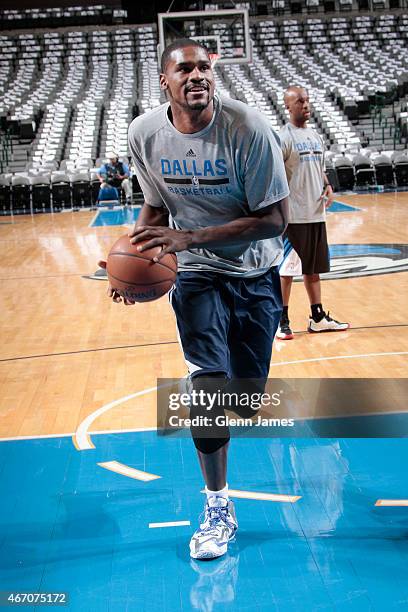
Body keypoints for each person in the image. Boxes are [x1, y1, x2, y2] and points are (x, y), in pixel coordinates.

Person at [101, 39, 289, 560]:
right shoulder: (145, 133)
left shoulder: (247, 128)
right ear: (165, 80)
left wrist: (191, 239)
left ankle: (231, 404)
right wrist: (130, 262)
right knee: (207, 387)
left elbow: (275, 221)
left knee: (245, 400)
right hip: (196, 276)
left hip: (255, 270)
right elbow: (157, 208)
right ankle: (217, 506)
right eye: (185, 68)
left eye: (205, 67)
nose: (197, 76)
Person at [277, 86, 349, 340]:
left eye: (307, 101)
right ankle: (281, 318)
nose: (305, 105)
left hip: (316, 212)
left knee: (313, 268)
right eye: (299, 101)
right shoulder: (283, 137)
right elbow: (275, 175)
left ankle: (317, 317)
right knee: (287, 270)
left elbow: (319, 167)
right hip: (293, 216)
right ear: (288, 106)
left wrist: (327, 186)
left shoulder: (315, 136)